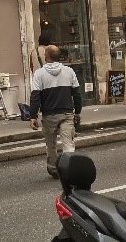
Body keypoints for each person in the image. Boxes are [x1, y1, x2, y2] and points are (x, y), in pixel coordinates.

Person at [29, 44, 82, 178]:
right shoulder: (69, 71)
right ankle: (70, 168)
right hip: (66, 113)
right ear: (59, 57)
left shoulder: (39, 73)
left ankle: (53, 168)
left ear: (46, 57)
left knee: (51, 144)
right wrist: (78, 112)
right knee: (68, 144)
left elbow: (35, 96)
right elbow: (76, 94)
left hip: (49, 114)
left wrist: (33, 115)